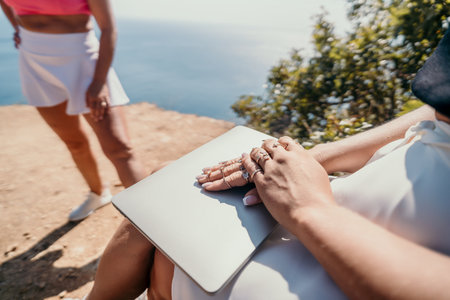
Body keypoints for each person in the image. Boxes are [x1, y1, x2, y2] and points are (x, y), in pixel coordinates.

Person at [86, 31, 450, 299]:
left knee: (167, 242)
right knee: (171, 181)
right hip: (331, 217)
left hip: (356, 266)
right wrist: (316, 157)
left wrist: (309, 209)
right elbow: (436, 113)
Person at [0, 0, 147, 221]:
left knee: (120, 148)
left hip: (83, 61)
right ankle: (98, 194)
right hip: (34, 61)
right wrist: (18, 27)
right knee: (74, 143)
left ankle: (152, 223)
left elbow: (108, 28)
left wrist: (99, 82)